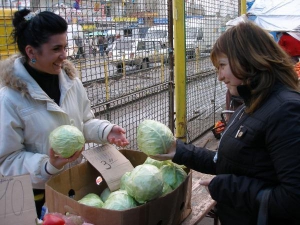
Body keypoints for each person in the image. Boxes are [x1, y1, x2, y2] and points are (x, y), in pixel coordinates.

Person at [152, 22, 300, 225]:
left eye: (222, 65)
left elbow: (293, 199)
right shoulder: (252, 103)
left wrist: (228, 187)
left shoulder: (286, 110)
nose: (220, 76)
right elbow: (231, 160)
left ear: (248, 60)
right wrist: (179, 152)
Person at [0, 9, 129, 218]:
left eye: (65, 47)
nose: (64, 55)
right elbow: (7, 159)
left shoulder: (71, 82)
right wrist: (48, 165)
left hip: (72, 184)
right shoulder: (10, 99)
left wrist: (106, 131)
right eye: (56, 48)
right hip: (37, 196)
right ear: (31, 52)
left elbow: (84, 122)